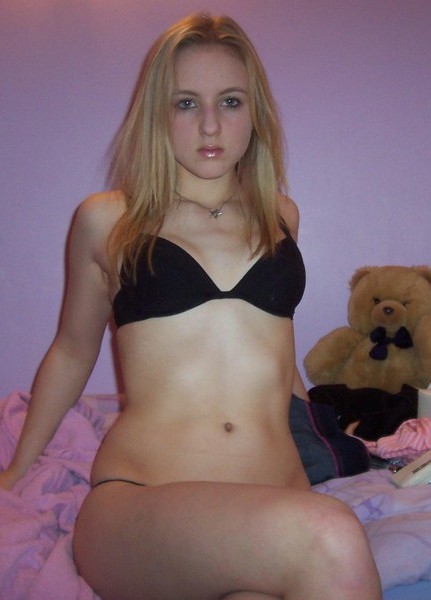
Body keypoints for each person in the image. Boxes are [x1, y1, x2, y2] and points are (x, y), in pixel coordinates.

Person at [0, 13, 382, 600]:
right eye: (185, 104)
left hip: (273, 500)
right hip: (142, 505)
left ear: (255, 112)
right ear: (157, 114)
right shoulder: (108, 219)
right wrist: (14, 474)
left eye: (230, 101)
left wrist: (330, 438)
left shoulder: (281, 216)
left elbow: (275, 357)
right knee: (332, 536)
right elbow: (73, 352)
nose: (210, 124)